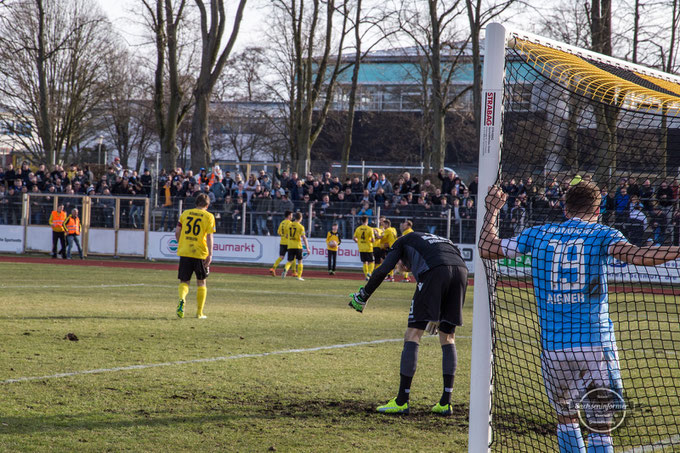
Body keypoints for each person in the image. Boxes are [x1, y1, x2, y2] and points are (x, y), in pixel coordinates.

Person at [480, 181, 680, 453]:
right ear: (598, 209)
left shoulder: (538, 235)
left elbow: (487, 247)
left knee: (566, 420)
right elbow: (638, 256)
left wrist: (492, 209)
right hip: (594, 345)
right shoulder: (602, 233)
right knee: (601, 427)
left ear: (565, 208)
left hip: (554, 348)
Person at [348, 231, 468, 416]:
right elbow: (449, 263)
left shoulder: (401, 241)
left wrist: (364, 295)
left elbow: (382, 270)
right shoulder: (436, 240)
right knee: (448, 337)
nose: (400, 267)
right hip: (461, 271)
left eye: (399, 264)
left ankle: (402, 401)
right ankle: (446, 402)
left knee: (413, 334)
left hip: (435, 271)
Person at [175, 193, 216, 319]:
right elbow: (209, 236)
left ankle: (182, 299)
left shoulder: (185, 213)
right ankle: (199, 313)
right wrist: (210, 254)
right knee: (201, 282)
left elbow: (177, 232)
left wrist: (182, 243)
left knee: (184, 281)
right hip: (200, 253)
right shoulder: (209, 216)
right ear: (207, 205)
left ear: (196, 203)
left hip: (185, 251)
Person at [282, 212, 309, 281]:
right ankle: (299, 276)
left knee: (290, 261)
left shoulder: (289, 225)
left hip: (290, 246)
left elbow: (287, 235)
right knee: (300, 261)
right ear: (300, 218)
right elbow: (304, 238)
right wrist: (307, 248)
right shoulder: (301, 227)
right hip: (298, 246)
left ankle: (286, 269)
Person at [270, 210, 292, 276]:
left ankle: (273, 268)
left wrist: (283, 235)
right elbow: (290, 233)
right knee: (292, 258)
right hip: (289, 243)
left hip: (282, 242)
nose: (292, 216)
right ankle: (294, 272)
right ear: (288, 216)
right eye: (291, 215)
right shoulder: (290, 223)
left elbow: (278, 232)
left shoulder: (282, 223)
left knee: (281, 257)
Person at [353, 215, 375, 280]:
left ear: (361, 221)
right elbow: (373, 240)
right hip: (369, 248)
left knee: (364, 262)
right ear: (367, 221)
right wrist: (370, 240)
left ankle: (366, 276)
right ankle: (369, 273)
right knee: (371, 262)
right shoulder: (370, 229)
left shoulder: (358, 228)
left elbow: (354, 238)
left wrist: (358, 241)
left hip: (361, 248)